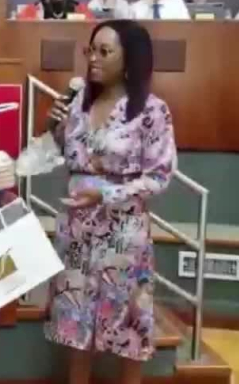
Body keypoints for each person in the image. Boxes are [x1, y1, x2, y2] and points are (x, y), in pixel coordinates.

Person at [44, 19, 177, 384]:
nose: (94, 59)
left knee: (126, 329)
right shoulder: (77, 104)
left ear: (129, 58)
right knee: (74, 324)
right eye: (91, 50)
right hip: (76, 230)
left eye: (105, 52)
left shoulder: (151, 111)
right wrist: (54, 129)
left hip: (121, 233)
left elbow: (159, 176)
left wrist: (105, 193)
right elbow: (64, 158)